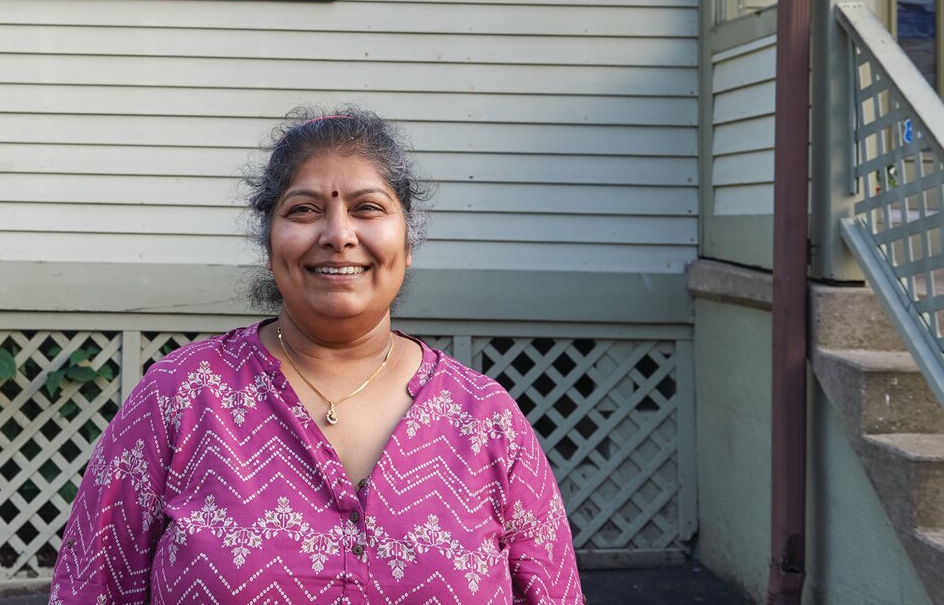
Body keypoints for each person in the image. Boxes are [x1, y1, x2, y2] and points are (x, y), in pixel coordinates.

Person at [51, 108, 584, 604]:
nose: (338, 234)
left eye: (368, 208)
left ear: (408, 239)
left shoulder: (486, 419)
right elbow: (89, 589)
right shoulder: (180, 395)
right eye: (304, 210)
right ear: (269, 243)